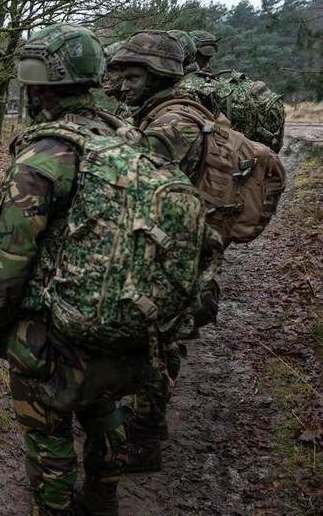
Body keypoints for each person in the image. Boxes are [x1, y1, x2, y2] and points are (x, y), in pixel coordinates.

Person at [0, 24, 157, 515]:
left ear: (36, 89)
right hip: (116, 314)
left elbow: (9, 260)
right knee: (105, 411)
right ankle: (103, 500)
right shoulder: (123, 137)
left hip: (51, 330)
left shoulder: (43, 155)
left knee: (47, 428)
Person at [109, 30, 217, 473]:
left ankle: (144, 438)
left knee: (155, 346)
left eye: (134, 76)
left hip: (173, 254)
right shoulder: (158, 112)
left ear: (159, 75)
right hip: (163, 242)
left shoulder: (176, 121)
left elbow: (132, 171)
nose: (124, 85)